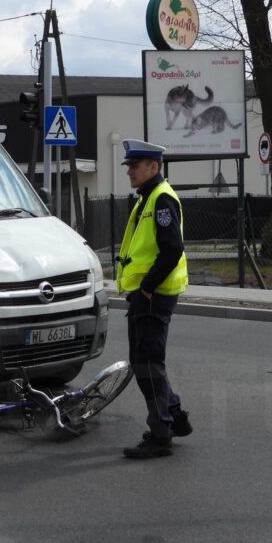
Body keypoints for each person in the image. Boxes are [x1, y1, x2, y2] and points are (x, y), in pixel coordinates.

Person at [116, 139, 193, 459]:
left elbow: (172, 248)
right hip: (146, 295)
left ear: (154, 167)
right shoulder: (149, 198)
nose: (130, 172)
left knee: (147, 364)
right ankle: (174, 417)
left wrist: (147, 286)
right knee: (145, 362)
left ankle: (161, 434)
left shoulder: (161, 199)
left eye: (135, 166)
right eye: (129, 167)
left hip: (153, 295)